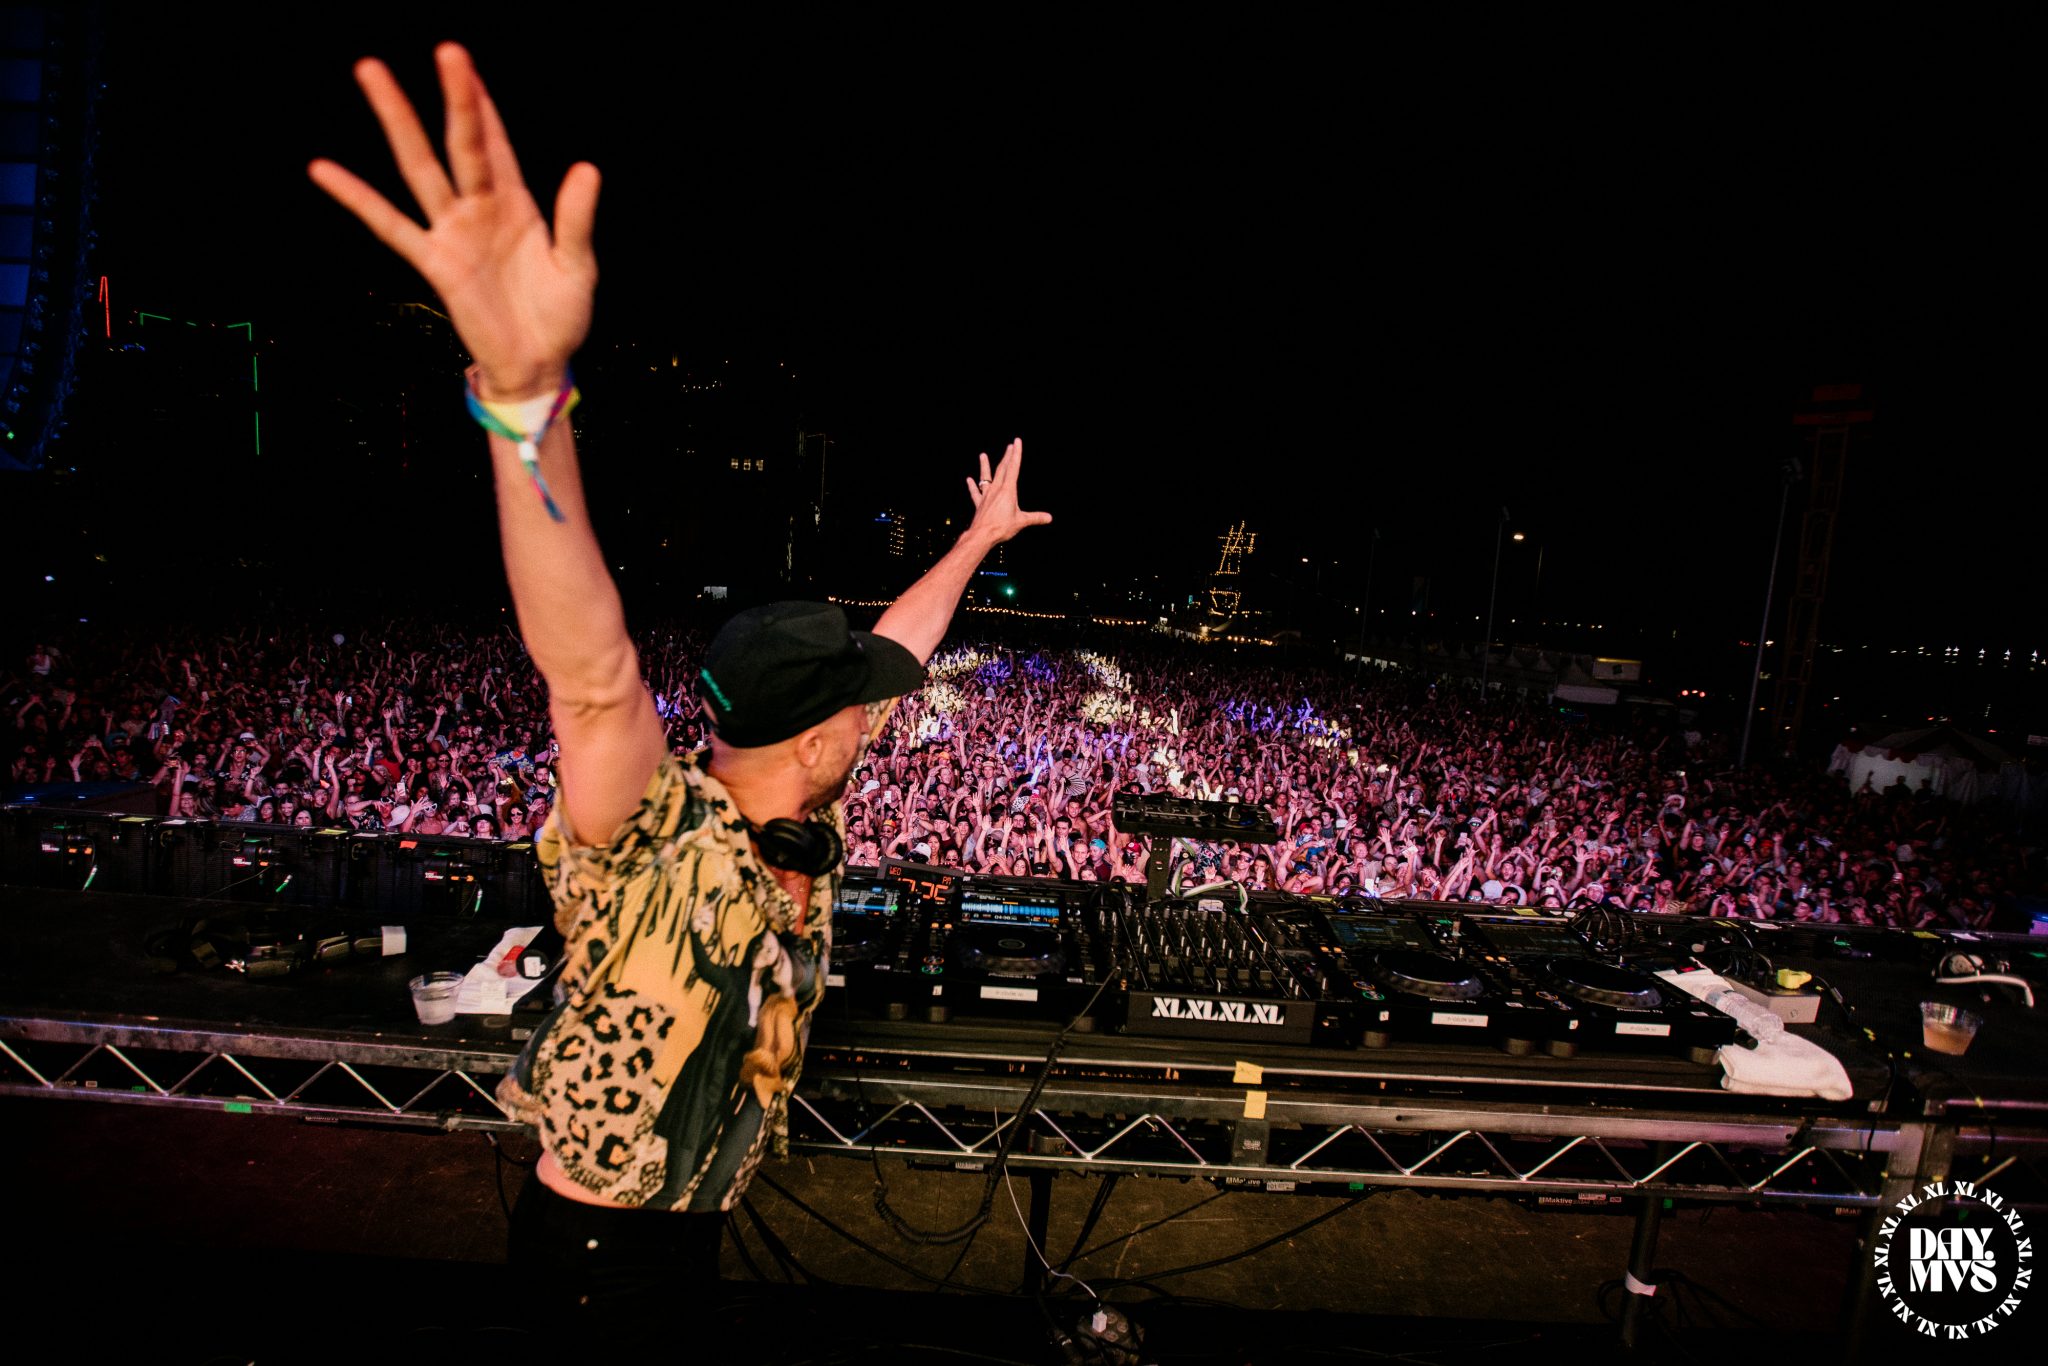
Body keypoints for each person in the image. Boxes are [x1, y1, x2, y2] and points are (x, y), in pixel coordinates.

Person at [310, 44, 1050, 1347]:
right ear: (814, 735)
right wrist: (524, 399)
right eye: (858, 708)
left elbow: (898, 645)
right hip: (598, 1256)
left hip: (686, 1235)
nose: (879, 715)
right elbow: (592, 674)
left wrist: (976, 542)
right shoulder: (648, 824)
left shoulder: (804, 793)